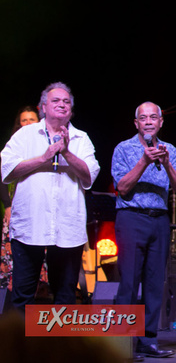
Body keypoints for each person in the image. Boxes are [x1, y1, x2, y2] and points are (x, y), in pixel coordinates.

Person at [1, 82, 100, 311]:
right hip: (30, 225)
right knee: (23, 295)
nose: (62, 105)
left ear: (71, 110)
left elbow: (89, 175)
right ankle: (22, 346)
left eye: (66, 102)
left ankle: (60, 346)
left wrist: (66, 152)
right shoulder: (25, 135)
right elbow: (7, 170)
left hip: (67, 226)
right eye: (56, 101)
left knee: (65, 294)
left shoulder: (80, 138)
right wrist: (43, 158)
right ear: (43, 107)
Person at [111, 102, 176, 359]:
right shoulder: (124, 148)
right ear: (137, 124)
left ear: (161, 122)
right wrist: (143, 161)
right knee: (129, 283)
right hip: (131, 217)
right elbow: (122, 187)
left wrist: (166, 163)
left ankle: (148, 341)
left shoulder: (170, 150)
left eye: (154, 117)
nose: (149, 122)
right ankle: (123, 343)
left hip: (159, 220)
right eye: (144, 118)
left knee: (154, 284)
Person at [1, 106, 43, 291]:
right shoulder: (13, 146)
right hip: (18, 207)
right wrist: (8, 207)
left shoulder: (46, 144)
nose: (27, 123)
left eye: (31, 119)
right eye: (23, 120)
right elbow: (3, 179)